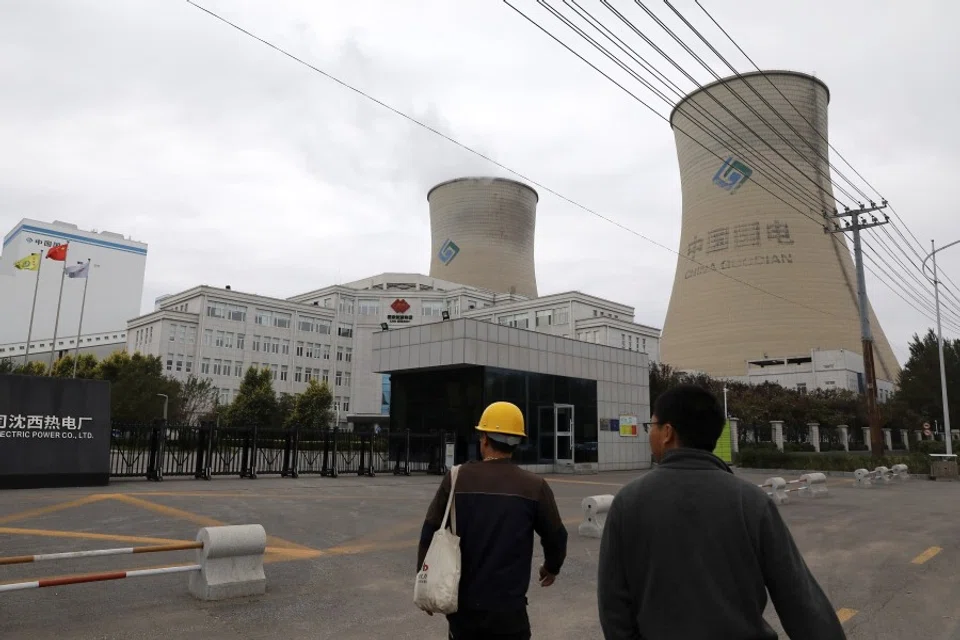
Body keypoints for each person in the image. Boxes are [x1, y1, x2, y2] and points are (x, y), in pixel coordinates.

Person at [597, 384, 845, 640]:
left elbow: (613, 605)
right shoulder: (751, 501)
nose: (650, 434)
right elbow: (799, 599)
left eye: (652, 426)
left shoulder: (628, 502)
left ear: (667, 432)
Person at [417, 401, 568, 640]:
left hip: (463, 614)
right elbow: (557, 537)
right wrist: (551, 567)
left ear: (485, 439)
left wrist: (424, 582)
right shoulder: (534, 486)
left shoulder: (456, 479)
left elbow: (430, 532)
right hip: (510, 616)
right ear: (517, 442)